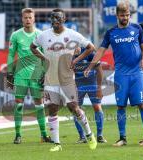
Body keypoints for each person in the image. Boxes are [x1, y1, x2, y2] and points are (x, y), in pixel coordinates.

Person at [84, 2, 143, 146]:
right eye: (122, 15)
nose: (125, 18)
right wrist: (91, 65)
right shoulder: (111, 33)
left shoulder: (137, 28)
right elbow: (101, 50)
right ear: (117, 16)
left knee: (142, 104)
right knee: (121, 106)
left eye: (127, 15)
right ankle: (122, 138)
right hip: (121, 74)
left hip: (137, 73)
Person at [30, 8, 97, 152]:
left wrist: (76, 60)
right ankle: (57, 144)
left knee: (73, 107)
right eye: (53, 19)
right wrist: (44, 58)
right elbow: (33, 47)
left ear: (64, 20)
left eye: (58, 19)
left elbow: (91, 48)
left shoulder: (73, 34)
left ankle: (90, 135)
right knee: (52, 109)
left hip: (67, 79)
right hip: (50, 79)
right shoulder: (43, 35)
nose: (55, 22)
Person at [7, 8, 50, 144]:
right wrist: (9, 72)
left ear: (34, 19)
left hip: (37, 75)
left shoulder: (41, 35)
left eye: (30, 17)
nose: (27, 20)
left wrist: (45, 73)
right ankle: (18, 135)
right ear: (22, 19)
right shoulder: (16, 35)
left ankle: (43, 135)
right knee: (19, 104)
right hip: (20, 74)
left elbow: (46, 57)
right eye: (25, 18)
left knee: (39, 104)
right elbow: (10, 54)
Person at [73, 47, 107, 143]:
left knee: (97, 107)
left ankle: (100, 135)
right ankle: (82, 137)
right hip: (78, 86)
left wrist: (99, 88)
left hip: (92, 84)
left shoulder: (89, 52)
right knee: (76, 109)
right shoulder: (68, 54)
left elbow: (99, 70)